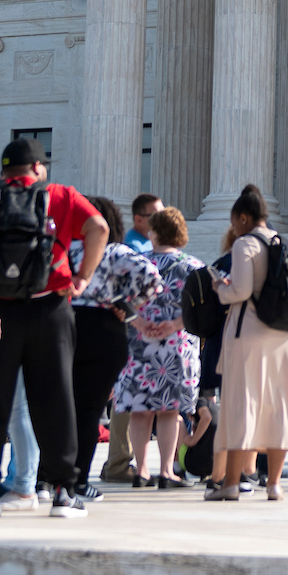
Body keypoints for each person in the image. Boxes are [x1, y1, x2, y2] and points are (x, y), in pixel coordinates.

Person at [0, 137, 106, 518]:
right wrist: (84, 277)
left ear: (5, 171)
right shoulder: (61, 195)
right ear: (39, 168)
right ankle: (63, 492)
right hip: (50, 307)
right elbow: (99, 228)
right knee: (55, 401)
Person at [206, 185, 288, 501]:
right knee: (278, 404)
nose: (233, 228)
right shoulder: (281, 242)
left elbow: (241, 291)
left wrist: (221, 287)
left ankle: (231, 483)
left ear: (244, 218)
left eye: (234, 222)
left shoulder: (245, 244)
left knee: (241, 403)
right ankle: (273, 483)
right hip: (283, 334)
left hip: (248, 332)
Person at [72, 193, 159, 494]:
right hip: (103, 326)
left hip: (64, 323)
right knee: (90, 410)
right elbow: (152, 276)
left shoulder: (67, 248)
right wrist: (128, 304)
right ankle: (78, 479)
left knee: (58, 407)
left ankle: (48, 475)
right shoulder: (114, 251)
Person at [112, 207, 200, 488]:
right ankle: (166, 470)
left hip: (140, 344)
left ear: (154, 232)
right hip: (176, 345)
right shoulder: (193, 266)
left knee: (141, 410)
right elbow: (201, 309)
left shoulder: (137, 263)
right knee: (169, 410)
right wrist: (174, 324)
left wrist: (141, 324)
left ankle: (141, 470)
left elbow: (119, 299)